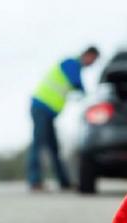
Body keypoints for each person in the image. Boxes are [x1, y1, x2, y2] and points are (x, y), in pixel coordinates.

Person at [28, 46, 100, 191]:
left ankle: (64, 181)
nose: (92, 64)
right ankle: (34, 181)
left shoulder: (74, 66)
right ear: (88, 55)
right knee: (39, 144)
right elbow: (77, 83)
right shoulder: (71, 63)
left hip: (48, 111)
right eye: (93, 60)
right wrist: (89, 95)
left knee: (53, 147)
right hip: (41, 107)